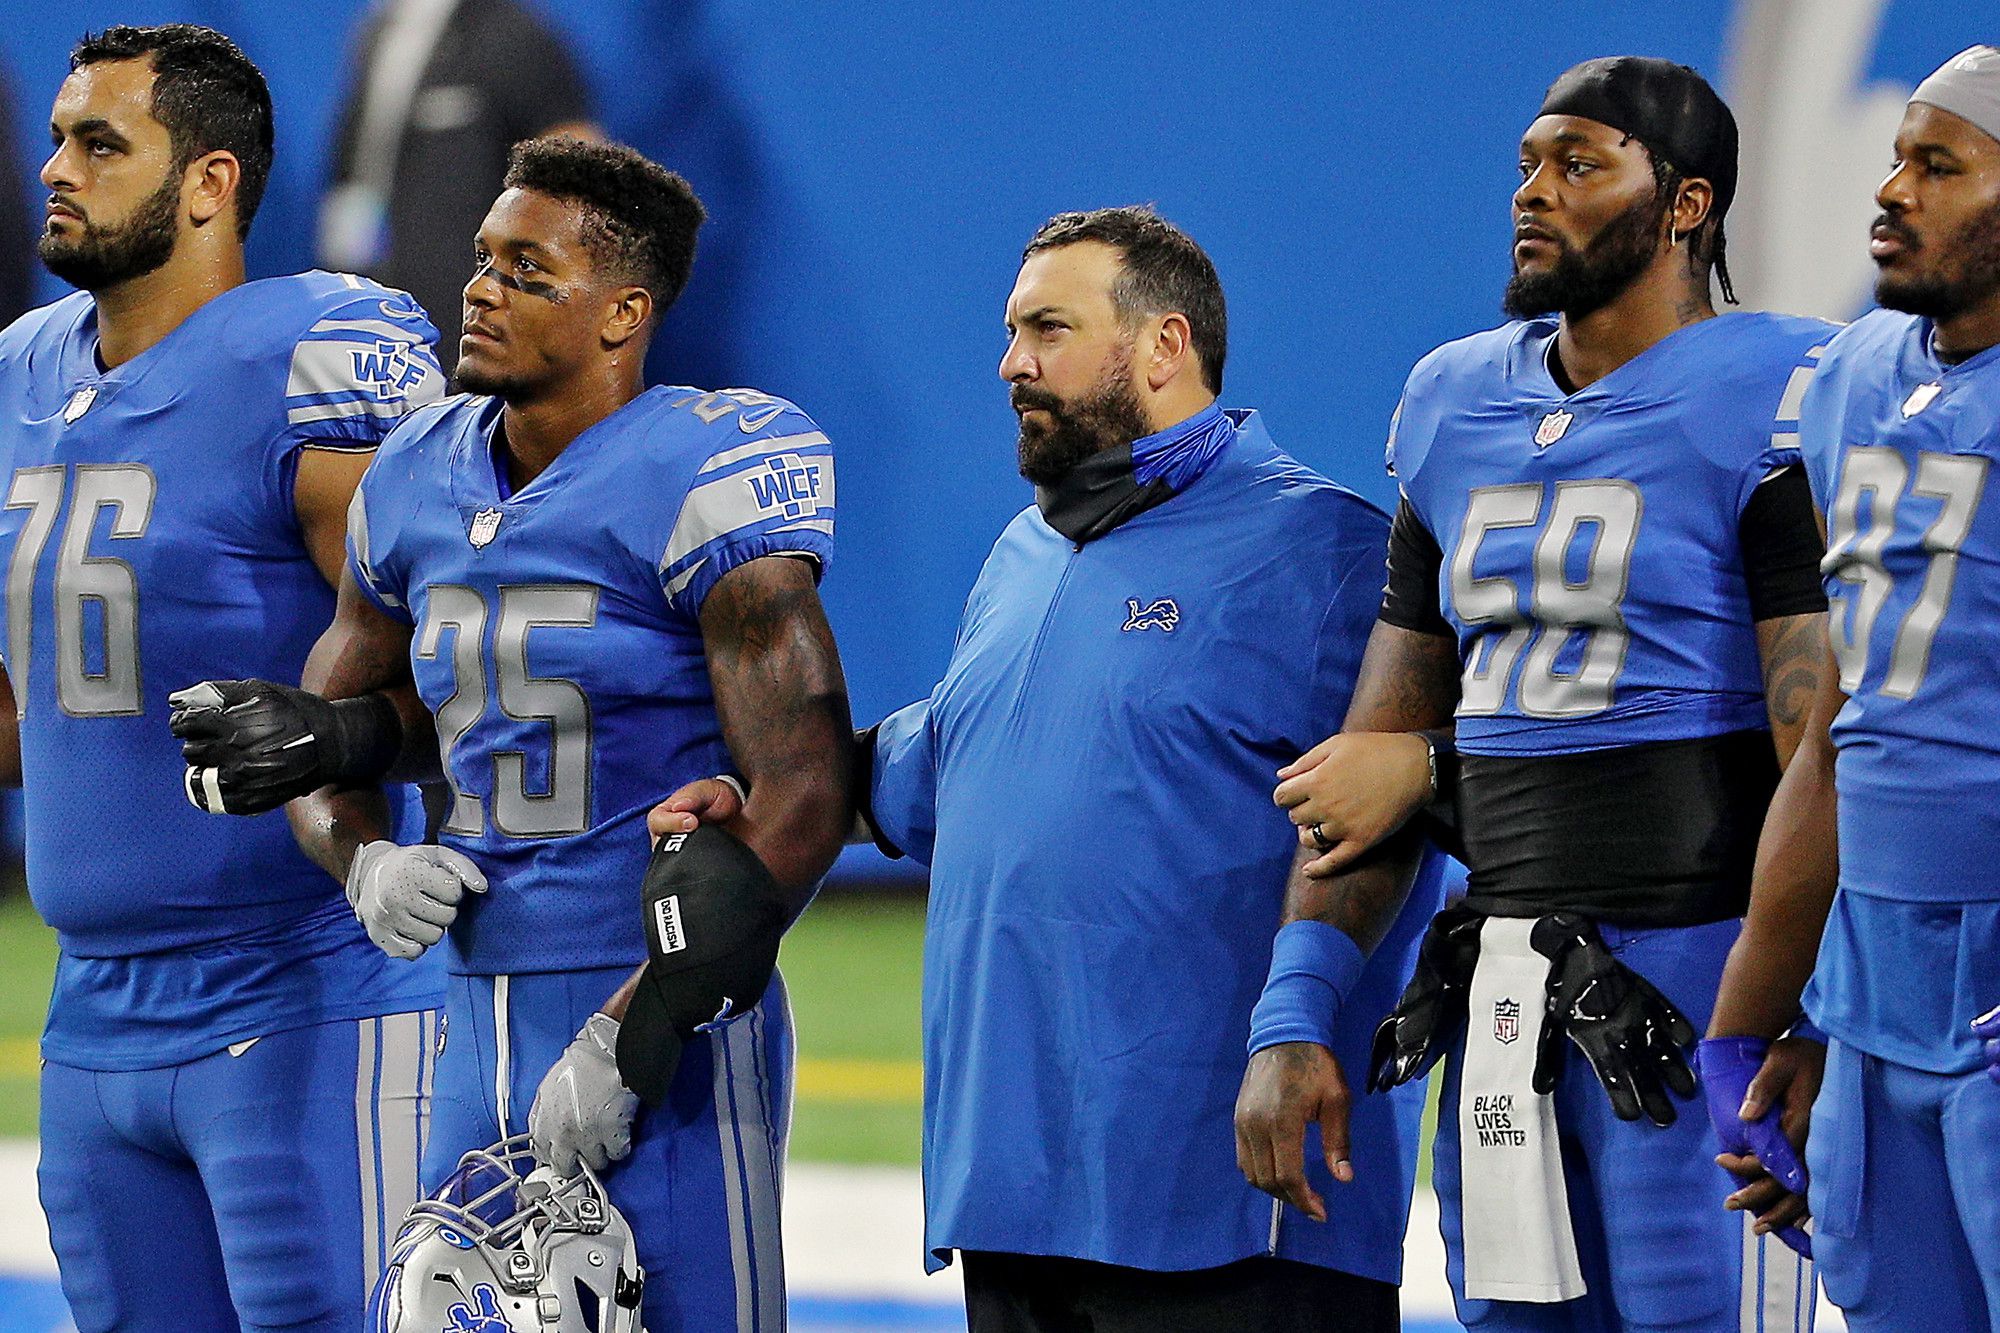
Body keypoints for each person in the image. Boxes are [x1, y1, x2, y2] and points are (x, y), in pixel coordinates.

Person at [656, 205, 1440, 1332]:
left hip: (1229, 1203)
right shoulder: (1024, 554)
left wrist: (1298, 1019)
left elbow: (1391, 823)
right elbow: (950, 762)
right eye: (1011, 330)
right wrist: (772, 797)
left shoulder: (1325, 553)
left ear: (1164, 347)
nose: (1009, 362)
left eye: (1046, 330)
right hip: (1015, 1193)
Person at [178, 135, 852, 1332]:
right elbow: (355, 728)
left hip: (658, 992)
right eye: (484, 258)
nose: (480, 287)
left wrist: (634, 1032)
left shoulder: (704, 463)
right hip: (465, 996)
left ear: (621, 313)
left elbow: (803, 786)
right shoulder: (413, 474)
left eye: (528, 270)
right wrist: (360, 855)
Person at [1232, 58, 1835, 1331]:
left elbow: (1820, 751)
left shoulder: (1782, 390)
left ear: (1685, 206)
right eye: (1525, 164)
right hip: (1502, 993)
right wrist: (1291, 1010)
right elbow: (1367, 758)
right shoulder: (1451, 400)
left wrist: (1813, 1010)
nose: (1532, 193)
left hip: (1705, 986)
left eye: (1578, 164)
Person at [0, 24, 445, 1332]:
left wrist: (329, 740)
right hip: (91, 1015)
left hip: (302, 999)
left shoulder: (311, 359)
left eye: (99, 142)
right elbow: (40, 714)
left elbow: (465, 686)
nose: (54, 168)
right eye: (56, 135)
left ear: (209, 182)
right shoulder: (24, 373)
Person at [1704, 44, 2000, 1332]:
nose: (1889, 191)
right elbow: (1837, 732)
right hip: (1872, 991)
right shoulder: (1852, 383)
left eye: (1937, 166)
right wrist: (1756, 1024)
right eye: (1894, 156)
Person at [320, 0, 598, 367]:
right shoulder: (378, 31)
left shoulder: (514, 37)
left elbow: (579, 176)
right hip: (376, 307)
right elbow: (362, 171)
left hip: (470, 317)